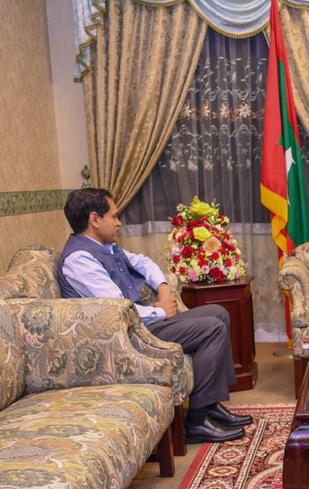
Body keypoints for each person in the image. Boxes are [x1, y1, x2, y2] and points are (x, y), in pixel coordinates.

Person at [57, 187, 250, 444]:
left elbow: (145, 263)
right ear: (94, 219)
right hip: (128, 337)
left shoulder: (106, 246)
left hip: (142, 323)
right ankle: (197, 420)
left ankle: (211, 404)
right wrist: (161, 311)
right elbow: (115, 308)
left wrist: (162, 288)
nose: (118, 222)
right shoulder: (79, 259)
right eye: (113, 217)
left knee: (218, 313)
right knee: (211, 328)